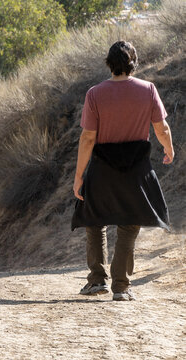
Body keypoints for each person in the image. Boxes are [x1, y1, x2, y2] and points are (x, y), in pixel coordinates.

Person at [71, 40, 174, 301]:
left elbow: (87, 138)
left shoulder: (95, 94)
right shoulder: (148, 90)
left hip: (103, 167)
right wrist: (168, 149)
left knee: (94, 221)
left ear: (109, 63)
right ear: (133, 62)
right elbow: (161, 128)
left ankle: (97, 280)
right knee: (130, 225)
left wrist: (79, 175)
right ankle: (121, 285)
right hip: (136, 169)